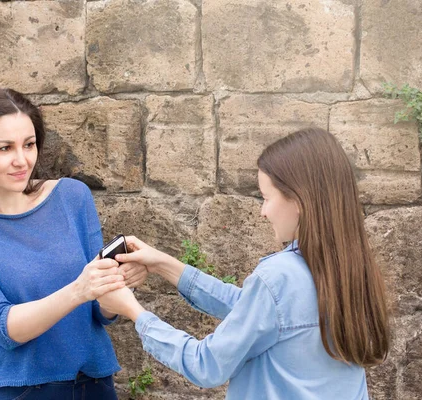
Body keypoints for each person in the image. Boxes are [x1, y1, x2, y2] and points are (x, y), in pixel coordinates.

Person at [97, 127, 390, 399]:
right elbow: (254, 308)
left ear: (299, 201)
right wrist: (164, 264)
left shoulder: (279, 276)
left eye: (265, 197)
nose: (263, 212)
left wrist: (134, 311)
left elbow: (206, 365)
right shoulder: (350, 268)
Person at [0, 88, 147, 400]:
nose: (22, 160)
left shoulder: (72, 197)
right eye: (4, 148)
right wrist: (79, 290)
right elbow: (2, 326)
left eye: (29, 145)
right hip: (23, 391)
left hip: (95, 384)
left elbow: (101, 314)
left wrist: (117, 282)